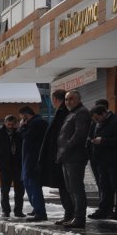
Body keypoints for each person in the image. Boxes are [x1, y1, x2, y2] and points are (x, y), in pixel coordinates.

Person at [39, 89, 75, 225]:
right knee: (64, 186)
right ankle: (70, 214)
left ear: (54, 100)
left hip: (62, 157)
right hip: (60, 156)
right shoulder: (62, 113)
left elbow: (61, 137)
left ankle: (71, 214)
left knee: (66, 187)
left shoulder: (64, 113)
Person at [56, 89, 90, 229]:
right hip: (67, 157)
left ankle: (79, 217)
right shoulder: (72, 113)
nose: (68, 102)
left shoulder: (81, 112)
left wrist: (66, 148)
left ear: (78, 99)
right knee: (70, 188)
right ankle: (73, 216)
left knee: (76, 188)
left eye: (71, 99)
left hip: (75, 157)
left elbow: (79, 135)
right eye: (66, 99)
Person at [86, 105, 117, 220]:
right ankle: (104, 210)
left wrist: (103, 141)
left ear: (104, 113)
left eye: (97, 118)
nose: (96, 121)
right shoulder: (98, 123)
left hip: (114, 160)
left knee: (116, 185)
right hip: (101, 160)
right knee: (104, 186)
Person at [0, 115, 24, 218]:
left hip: (18, 167)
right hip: (5, 167)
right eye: (8, 124)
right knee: (5, 191)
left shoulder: (19, 133)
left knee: (19, 191)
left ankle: (18, 211)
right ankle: (6, 211)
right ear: (5, 123)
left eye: (12, 124)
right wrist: (1, 160)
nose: (10, 126)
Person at [18, 106, 48, 222]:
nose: (21, 120)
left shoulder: (37, 123)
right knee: (29, 185)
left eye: (21, 117)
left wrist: (22, 126)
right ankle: (37, 208)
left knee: (33, 185)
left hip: (33, 160)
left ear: (25, 115)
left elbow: (27, 137)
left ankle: (40, 212)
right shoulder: (35, 123)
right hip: (29, 159)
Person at [87, 99, 111, 210]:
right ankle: (103, 204)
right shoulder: (94, 121)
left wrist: (101, 140)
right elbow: (90, 134)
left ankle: (106, 206)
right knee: (99, 181)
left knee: (107, 183)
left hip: (106, 156)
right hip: (94, 155)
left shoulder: (112, 121)